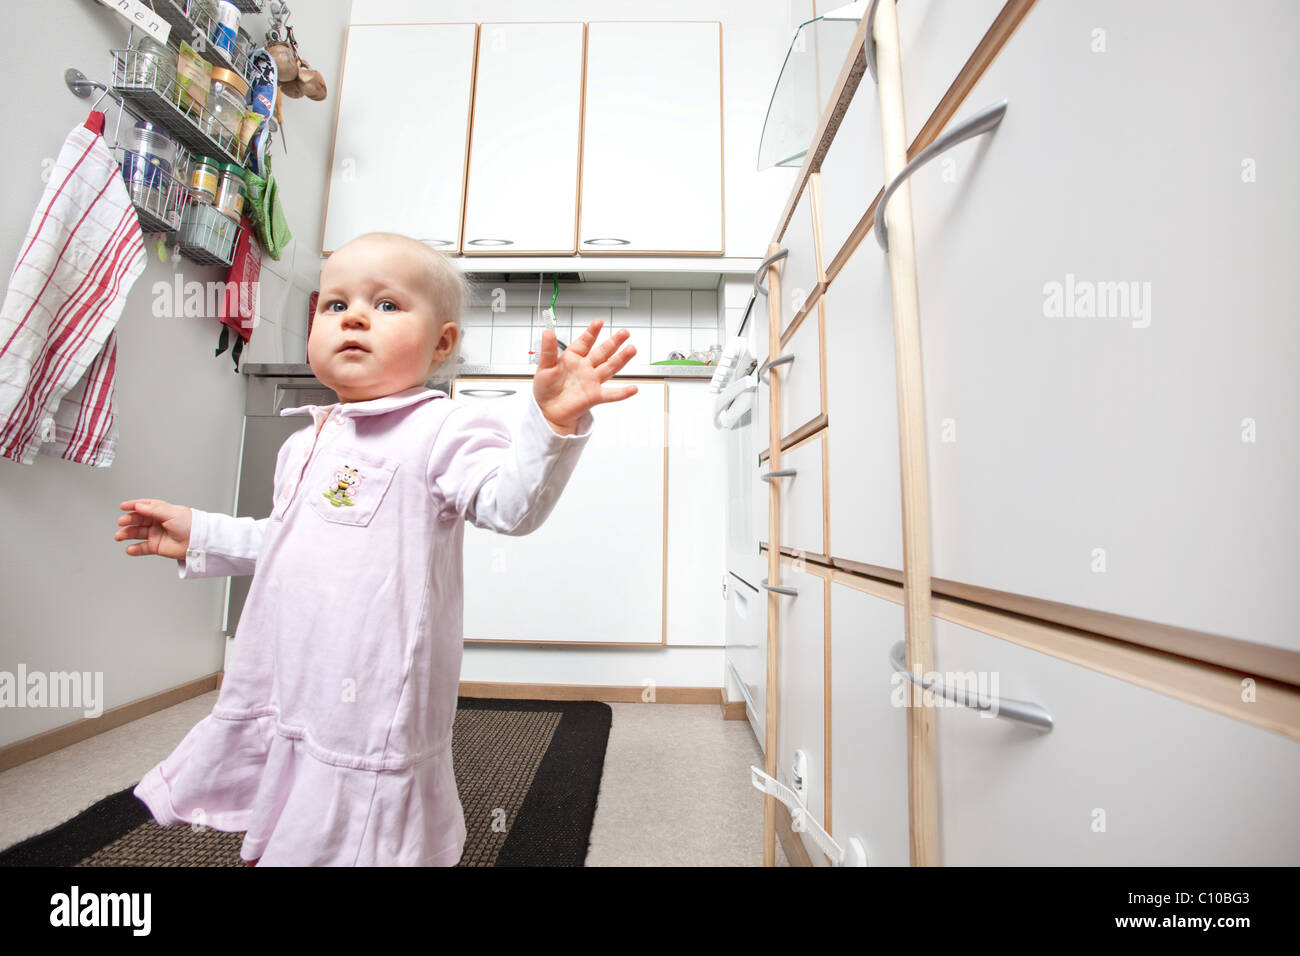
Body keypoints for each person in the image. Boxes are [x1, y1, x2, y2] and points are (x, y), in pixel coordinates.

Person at [114, 232, 638, 865]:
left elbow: (510, 507)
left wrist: (549, 425)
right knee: (292, 793)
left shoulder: (442, 427)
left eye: (387, 305)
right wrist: (201, 533)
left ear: (441, 344)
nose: (355, 316)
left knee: (362, 827)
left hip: (373, 695)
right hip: (293, 672)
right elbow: (288, 544)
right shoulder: (304, 442)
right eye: (335, 305)